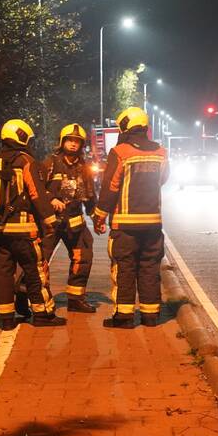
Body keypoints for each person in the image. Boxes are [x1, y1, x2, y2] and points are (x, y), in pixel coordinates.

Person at [91, 107, 169, 328]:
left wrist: (99, 215)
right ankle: (150, 316)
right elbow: (163, 179)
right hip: (153, 223)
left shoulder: (120, 152)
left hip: (125, 224)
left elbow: (110, 188)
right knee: (150, 267)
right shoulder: (161, 152)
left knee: (125, 268)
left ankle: (124, 317)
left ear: (124, 126)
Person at [0, 118, 63, 329]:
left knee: (3, 272)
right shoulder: (26, 161)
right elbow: (37, 194)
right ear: (23, 137)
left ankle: (6, 318)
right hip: (23, 229)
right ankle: (42, 314)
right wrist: (50, 221)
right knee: (35, 270)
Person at [41, 123, 97, 313]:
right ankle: (30, 296)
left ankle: (75, 298)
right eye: (70, 140)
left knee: (84, 255)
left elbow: (90, 195)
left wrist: (97, 217)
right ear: (62, 141)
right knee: (39, 259)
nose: (73, 144)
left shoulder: (84, 168)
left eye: (77, 141)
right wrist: (52, 198)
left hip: (74, 220)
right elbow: (36, 189)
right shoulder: (50, 163)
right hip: (51, 221)